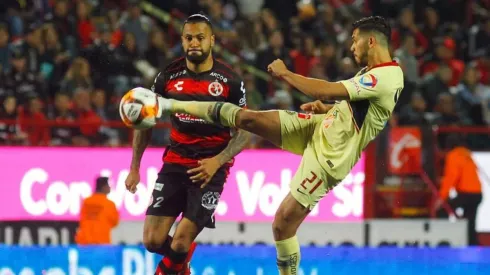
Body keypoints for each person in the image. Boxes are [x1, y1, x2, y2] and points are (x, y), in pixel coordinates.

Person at [156, 16, 404, 274]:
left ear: (371, 41)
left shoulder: (387, 76)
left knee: (282, 225)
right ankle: (170, 105)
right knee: (249, 118)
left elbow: (327, 89)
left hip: (331, 156)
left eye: (355, 41)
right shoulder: (375, 72)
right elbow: (361, 110)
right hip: (322, 125)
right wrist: (329, 108)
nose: (352, 47)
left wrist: (286, 74)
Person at [124, 14, 250, 275]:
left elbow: (244, 133)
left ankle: (172, 267)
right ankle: (183, 267)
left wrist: (217, 162)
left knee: (181, 240)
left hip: (209, 169)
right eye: (189, 37)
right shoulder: (168, 76)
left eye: (200, 37)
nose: (194, 42)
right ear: (182, 41)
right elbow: (144, 124)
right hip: (175, 162)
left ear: (212, 40)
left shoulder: (230, 81)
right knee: (152, 241)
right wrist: (134, 167)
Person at [436, 134, 482, 246]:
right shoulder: (466, 153)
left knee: (442, 210)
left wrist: (441, 199)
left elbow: (451, 178)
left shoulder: (453, 155)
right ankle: (472, 245)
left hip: (466, 194)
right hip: (477, 194)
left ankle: (445, 239)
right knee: (470, 222)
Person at [76, 177, 119, 245]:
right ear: (104, 187)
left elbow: (81, 220)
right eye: (108, 185)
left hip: (85, 242)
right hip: (102, 242)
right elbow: (115, 223)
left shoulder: (86, 202)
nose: (110, 188)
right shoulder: (110, 204)